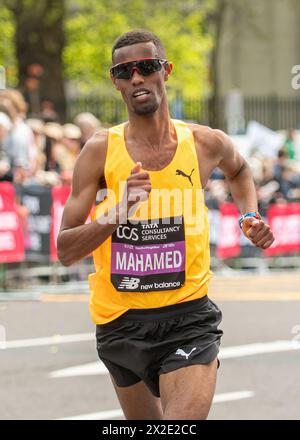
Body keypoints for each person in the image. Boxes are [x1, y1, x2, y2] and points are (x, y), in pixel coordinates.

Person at [57, 29, 274, 420]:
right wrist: (115, 212)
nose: (137, 77)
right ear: (115, 81)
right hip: (120, 321)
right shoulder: (100, 151)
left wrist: (249, 216)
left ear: (166, 70)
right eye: (125, 71)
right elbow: (66, 250)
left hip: (188, 316)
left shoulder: (205, 143)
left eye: (146, 66)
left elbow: (240, 171)